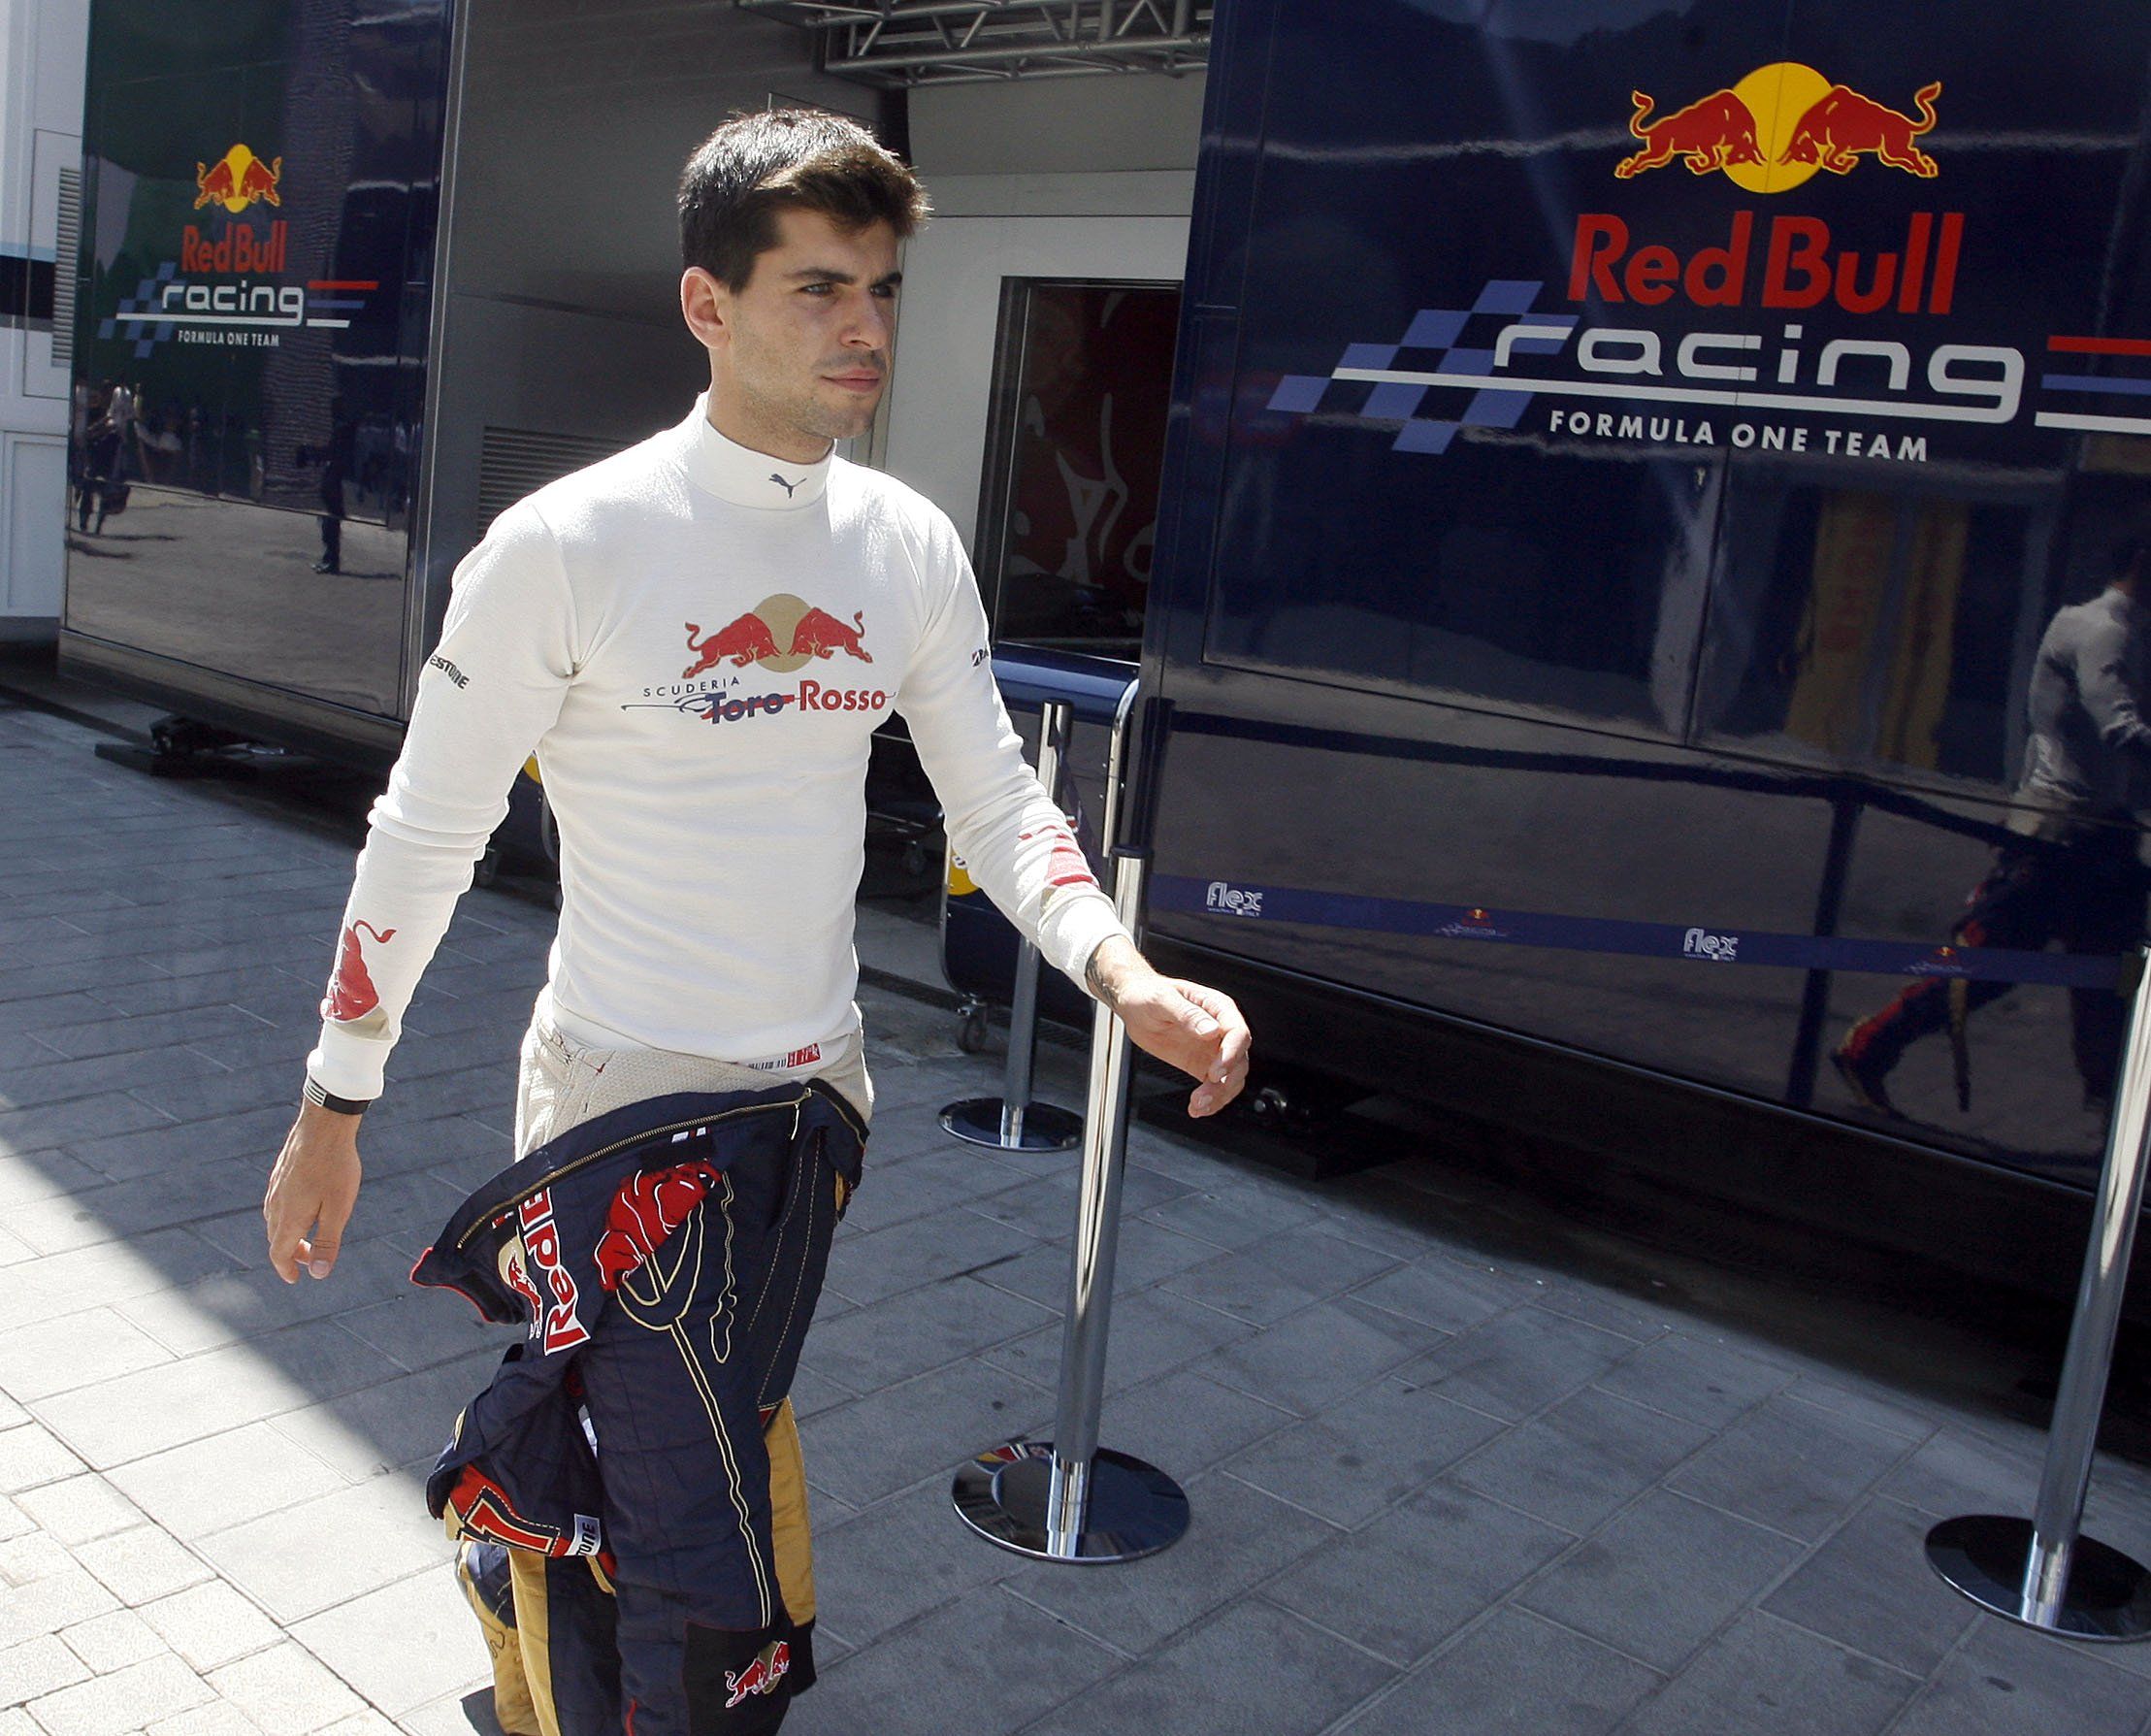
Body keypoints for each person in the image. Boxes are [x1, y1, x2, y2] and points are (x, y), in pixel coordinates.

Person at [262, 110, 1251, 1735]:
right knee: (701, 1550)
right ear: (705, 306)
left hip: (814, 1105)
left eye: (878, 286)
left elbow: (997, 799)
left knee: (696, 1431)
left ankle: (512, 1586)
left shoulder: (905, 547)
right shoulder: (567, 544)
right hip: (620, 1103)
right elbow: (422, 836)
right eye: (816, 288)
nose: (864, 324)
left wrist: (1116, 969)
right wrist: (332, 1106)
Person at [1834, 509, 2151, 1118]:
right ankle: (1869, 1046)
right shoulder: (2100, 630)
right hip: (2060, 835)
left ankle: (2112, 1103)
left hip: (2098, 833)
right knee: (1987, 969)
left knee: (2115, 977)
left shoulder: (2126, 629)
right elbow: (2121, 728)